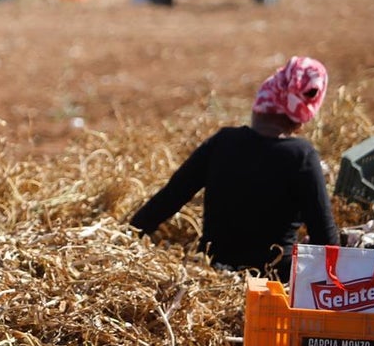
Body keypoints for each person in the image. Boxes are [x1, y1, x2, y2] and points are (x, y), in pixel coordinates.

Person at [130, 56, 340, 277]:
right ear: (305, 114)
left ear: (262, 102)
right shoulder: (302, 156)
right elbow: (326, 241)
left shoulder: (222, 142)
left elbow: (168, 199)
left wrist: (125, 240)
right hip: (273, 281)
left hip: (214, 272)